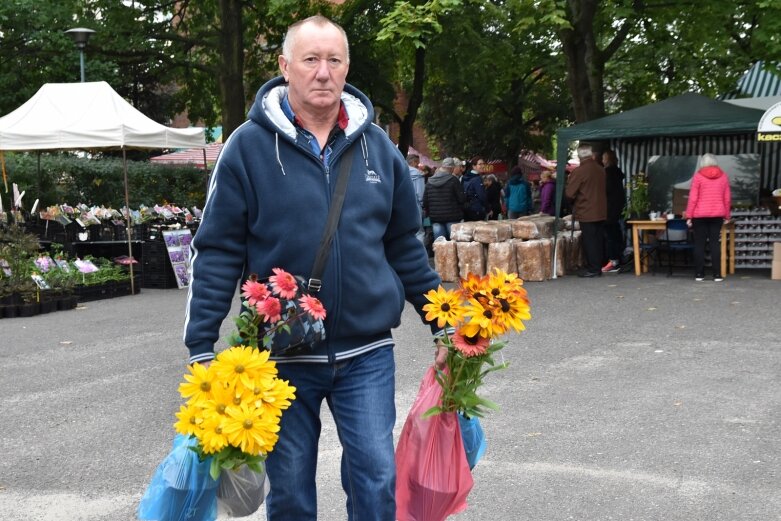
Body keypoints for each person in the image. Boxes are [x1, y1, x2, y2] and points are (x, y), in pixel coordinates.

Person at [183, 16, 448, 521]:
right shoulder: (247, 147)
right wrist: (201, 346)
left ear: (347, 68)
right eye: (310, 59)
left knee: (376, 478)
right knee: (290, 492)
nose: (323, 72)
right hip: (281, 357)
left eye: (334, 60)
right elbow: (217, 250)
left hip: (367, 351)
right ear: (285, 67)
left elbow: (404, 246)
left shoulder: (380, 150)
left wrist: (444, 324)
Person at [685, 153, 731, 282]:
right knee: (714, 244)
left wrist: (689, 215)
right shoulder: (723, 177)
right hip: (717, 215)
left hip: (699, 215)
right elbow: (727, 198)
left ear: (702, 163)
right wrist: (727, 215)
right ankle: (717, 275)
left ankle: (699, 274)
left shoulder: (698, 177)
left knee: (699, 244)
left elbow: (693, 198)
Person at [565, 144, 607, 277]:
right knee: (598, 239)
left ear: (579, 156)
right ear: (591, 155)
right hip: (601, 209)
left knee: (589, 240)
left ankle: (593, 268)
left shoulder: (579, 171)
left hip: (586, 210)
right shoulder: (601, 169)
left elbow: (570, 194)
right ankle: (598, 266)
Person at [423, 157, 466, 240]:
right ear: (451, 168)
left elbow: (425, 201)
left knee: (440, 245)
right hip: (453, 217)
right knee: (453, 243)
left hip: (435, 218)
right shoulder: (453, 180)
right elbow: (461, 199)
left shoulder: (430, 181)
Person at [601, 150, 626, 272]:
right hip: (617, 208)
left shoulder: (607, 174)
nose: (602, 161)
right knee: (616, 234)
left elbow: (605, 191)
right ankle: (618, 258)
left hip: (609, 209)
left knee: (610, 236)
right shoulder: (617, 173)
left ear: (607, 160)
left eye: (603, 158)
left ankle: (613, 261)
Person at [407, 153, 426, 244]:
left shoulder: (400, 172)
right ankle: (420, 257)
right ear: (414, 162)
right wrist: (423, 206)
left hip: (402, 205)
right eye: (418, 163)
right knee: (419, 232)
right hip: (416, 205)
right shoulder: (417, 174)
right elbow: (420, 193)